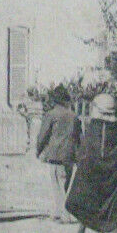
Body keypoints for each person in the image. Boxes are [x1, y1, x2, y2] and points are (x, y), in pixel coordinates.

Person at [65, 93, 117, 233]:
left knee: (86, 199)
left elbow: (87, 151)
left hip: (95, 174)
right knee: (115, 204)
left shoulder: (94, 127)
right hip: (113, 174)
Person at [33, 87, 80, 223]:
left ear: (54, 100)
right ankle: (59, 211)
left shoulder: (51, 114)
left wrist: (38, 149)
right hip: (70, 155)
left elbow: (43, 134)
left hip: (55, 155)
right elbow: (79, 137)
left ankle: (64, 214)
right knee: (65, 182)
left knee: (57, 184)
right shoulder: (74, 116)